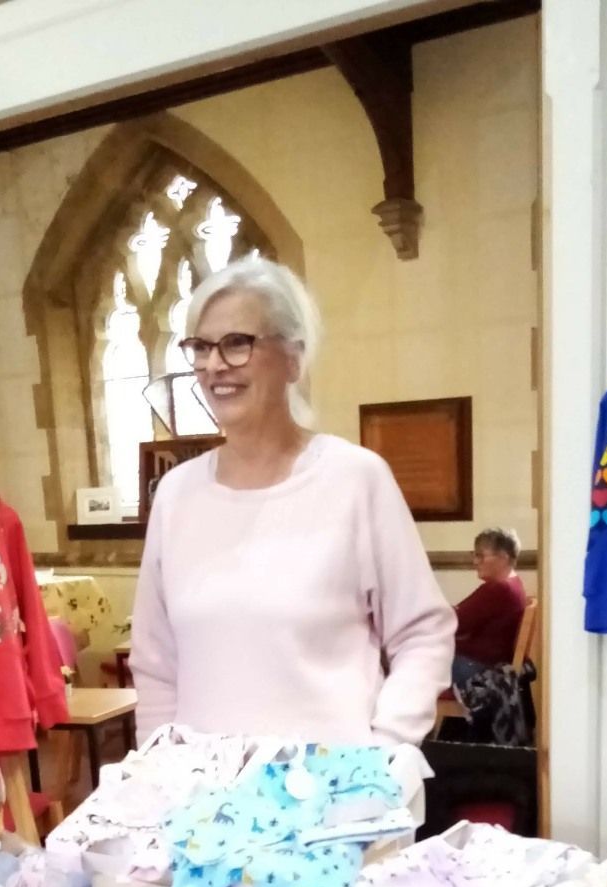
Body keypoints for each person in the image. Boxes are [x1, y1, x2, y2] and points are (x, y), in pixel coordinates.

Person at [130, 259, 453, 746]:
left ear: (294, 358)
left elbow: (423, 633)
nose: (214, 364)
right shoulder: (176, 494)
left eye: (237, 343)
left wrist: (385, 749)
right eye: (200, 346)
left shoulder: (354, 479)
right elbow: (156, 665)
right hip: (208, 801)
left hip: (333, 798)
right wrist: (159, 774)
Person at [451, 526, 527, 689]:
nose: (475, 562)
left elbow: (456, 623)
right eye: (474, 555)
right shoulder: (514, 584)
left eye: (481, 556)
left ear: (503, 557)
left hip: (480, 670)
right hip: (490, 665)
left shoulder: (499, 589)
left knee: (407, 664)